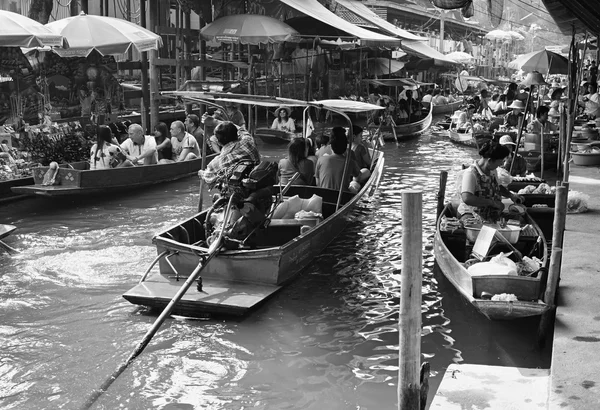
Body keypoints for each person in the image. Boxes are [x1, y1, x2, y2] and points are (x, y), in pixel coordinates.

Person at [458, 140, 524, 222]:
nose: (499, 166)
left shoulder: (492, 171)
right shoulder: (471, 174)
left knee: (519, 220)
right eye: (499, 163)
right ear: (489, 161)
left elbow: (498, 187)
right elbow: (467, 198)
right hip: (471, 213)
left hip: (491, 213)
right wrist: (492, 203)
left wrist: (511, 195)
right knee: (476, 227)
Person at [198, 121, 260, 188]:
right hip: (256, 179)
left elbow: (208, 178)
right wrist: (214, 121)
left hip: (237, 190)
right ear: (237, 134)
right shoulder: (248, 141)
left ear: (218, 142)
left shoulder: (218, 161)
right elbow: (241, 130)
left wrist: (201, 173)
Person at [315, 126, 361, 191]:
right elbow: (358, 178)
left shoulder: (321, 160)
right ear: (345, 147)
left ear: (331, 146)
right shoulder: (350, 162)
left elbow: (318, 183)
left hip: (324, 195)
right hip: (342, 197)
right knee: (356, 184)